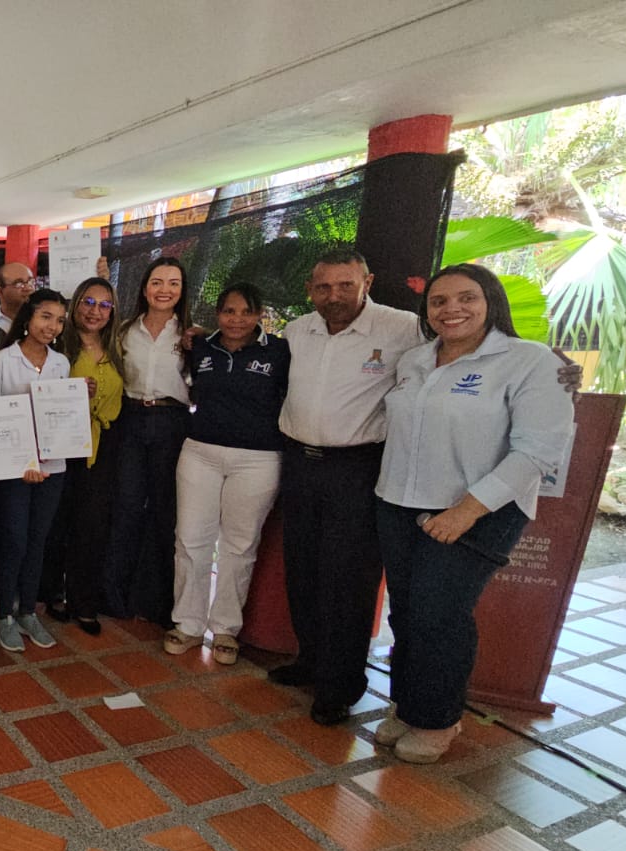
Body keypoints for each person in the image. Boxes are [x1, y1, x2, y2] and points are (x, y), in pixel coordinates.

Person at [373, 264, 572, 762]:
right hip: (400, 502)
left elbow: (539, 451)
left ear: (491, 303)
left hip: (479, 509)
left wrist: (466, 510)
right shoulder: (416, 360)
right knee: (407, 612)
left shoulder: (529, 361)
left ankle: (439, 720)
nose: (451, 309)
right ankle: (408, 703)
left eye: (466, 298)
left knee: (440, 614)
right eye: (439, 301)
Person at [272, 249, 428, 725]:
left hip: (357, 469)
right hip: (299, 463)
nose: (333, 296)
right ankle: (310, 661)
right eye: (323, 288)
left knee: (349, 578)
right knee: (302, 567)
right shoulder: (299, 330)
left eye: (344, 286)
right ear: (310, 291)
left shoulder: (403, 329)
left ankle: (340, 685)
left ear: (367, 281)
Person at [165, 283, 290, 665]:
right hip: (200, 452)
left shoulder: (280, 351)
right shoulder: (201, 346)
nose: (237, 320)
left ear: (259, 315)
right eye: (229, 312)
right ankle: (187, 623)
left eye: (246, 312)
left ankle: (225, 629)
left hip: (258, 459)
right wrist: (193, 338)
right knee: (190, 540)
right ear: (217, 314)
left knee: (239, 545)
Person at [104, 257, 192, 627]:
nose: (165, 290)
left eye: (173, 283)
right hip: (131, 418)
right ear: (144, 288)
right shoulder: (124, 331)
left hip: (172, 422)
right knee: (124, 507)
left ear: (182, 290)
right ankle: (114, 597)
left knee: (164, 510)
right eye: (157, 282)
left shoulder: (190, 335)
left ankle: (157, 602)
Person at [0, 289, 71, 653]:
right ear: (28, 318)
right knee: (14, 541)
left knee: (39, 541)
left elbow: (62, 418)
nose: (52, 326)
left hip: (53, 466)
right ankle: (4, 614)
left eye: (59, 320)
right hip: (15, 469)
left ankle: (27, 612)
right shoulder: (2, 361)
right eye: (46, 317)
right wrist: (23, 462)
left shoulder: (62, 363)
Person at [38, 277, 124, 635]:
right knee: (58, 522)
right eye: (89, 301)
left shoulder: (119, 346)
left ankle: (83, 599)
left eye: (104, 305)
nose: (95, 311)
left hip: (104, 446)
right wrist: (70, 391)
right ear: (76, 305)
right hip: (64, 444)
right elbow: (42, 390)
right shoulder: (60, 344)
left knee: (92, 526)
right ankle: (51, 592)